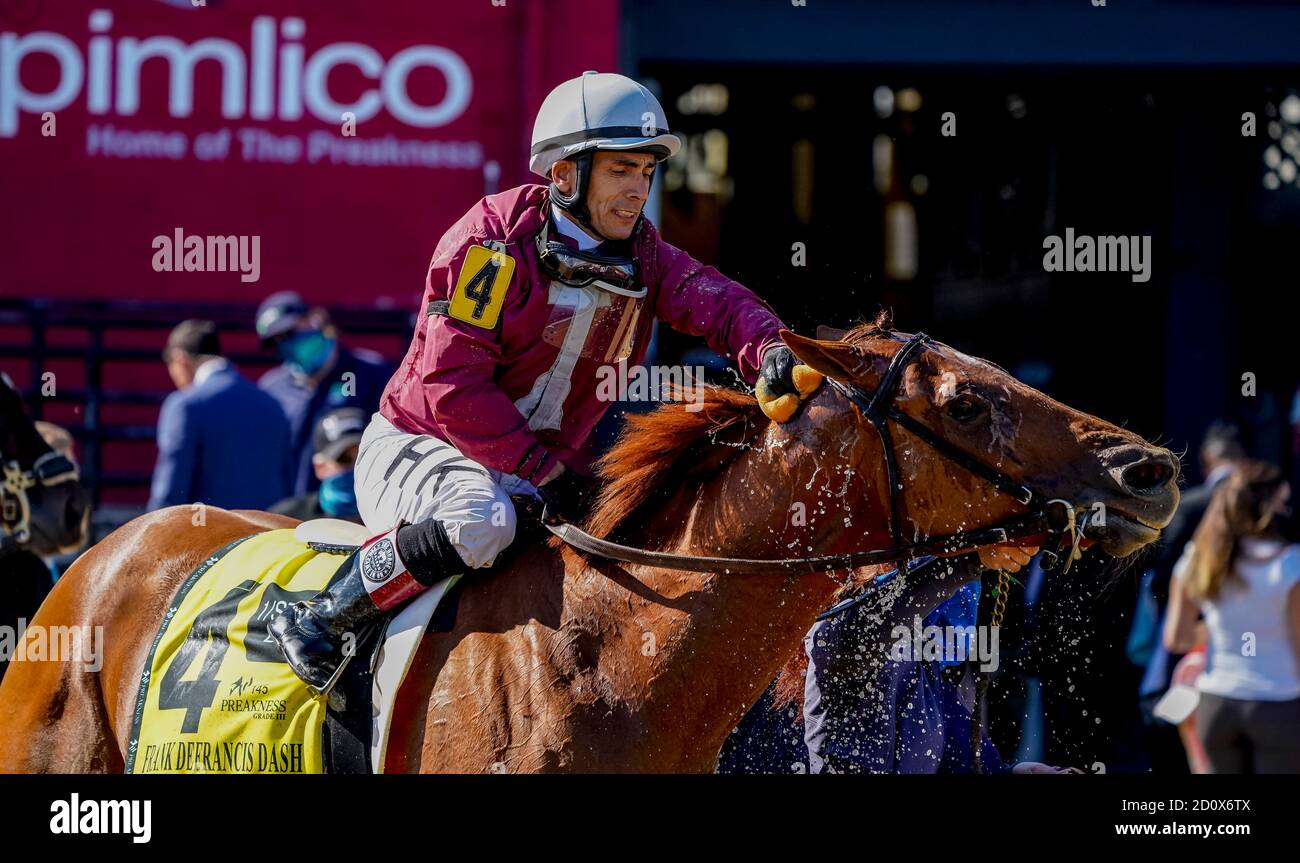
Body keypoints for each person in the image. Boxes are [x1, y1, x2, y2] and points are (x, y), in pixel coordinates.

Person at [267, 71, 828, 692]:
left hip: (533, 472)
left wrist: (769, 347)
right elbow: (453, 385)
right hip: (422, 446)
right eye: (621, 170)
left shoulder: (643, 253)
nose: (639, 190)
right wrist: (543, 471)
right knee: (483, 520)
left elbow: (715, 300)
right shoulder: (489, 248)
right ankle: (324, 616)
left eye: (646, 171)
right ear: (563, 174)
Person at [1164, 460, 1300, 773]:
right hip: (1277, 702)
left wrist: (1223, 630)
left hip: (1216, 702)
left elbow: (1177, 639)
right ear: (1270, 508)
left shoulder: (1196, 560)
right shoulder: (1290, 565)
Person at [1136, 422, 1244, 771]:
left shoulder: (1192, 505)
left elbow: (1162, 575)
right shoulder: (1269, 513)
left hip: (1190, 648)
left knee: (1173, 721)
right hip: (1252, 662)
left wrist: (1178, 610)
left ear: (1208, 458)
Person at [147, 320, 293, 511]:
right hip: (268, 535)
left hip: (209, 534)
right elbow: (287, 481)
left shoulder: (184, 406)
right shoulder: (272, 404)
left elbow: (170, 488)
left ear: (180, 359)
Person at [256, 293, 393, 497]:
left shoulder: (371, 374)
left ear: (315, 319)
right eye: (275, 342)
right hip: (292, 511)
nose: (285, 344)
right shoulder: (272, 389)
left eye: (289, 332)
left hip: (358, 507)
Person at [269, 407, 366, 524]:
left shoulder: (389, 520)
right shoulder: (285, 520)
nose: (355, 468)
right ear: (319, 467)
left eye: (364, 458)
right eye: (344, 459)